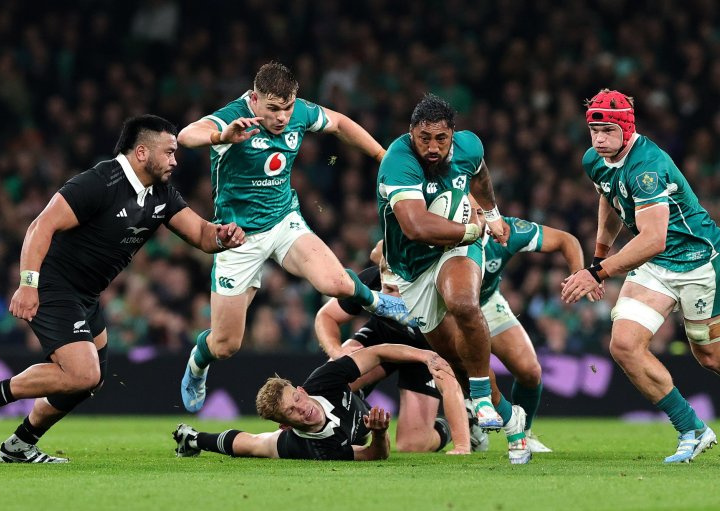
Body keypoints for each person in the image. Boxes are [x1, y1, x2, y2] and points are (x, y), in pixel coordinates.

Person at [0, 115, 246, 463]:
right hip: (53, 284)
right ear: (141, 152)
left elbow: (201, 234)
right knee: (82, 373)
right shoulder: (100, 181)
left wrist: (222, 236)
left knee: (90, 380)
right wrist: (28, 284)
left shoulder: (162, 194)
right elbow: (40, 226)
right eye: (168, 152)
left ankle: (19, 445)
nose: (174, 160)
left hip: (86, 296)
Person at [176, 61, 411, 414]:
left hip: (285, 221)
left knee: (334, 281)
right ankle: (198, 361)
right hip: (238, 237)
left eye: (287, 108)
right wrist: (220, 136)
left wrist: (382, 156)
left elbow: (340, 123)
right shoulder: (234, 117)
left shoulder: (299, 112)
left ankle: (380, 303)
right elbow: (186, 135)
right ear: (254, 99)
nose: (282, 117)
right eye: (272, 109)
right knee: (226, 344)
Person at [561, 89, 720, 463]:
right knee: (624, 345)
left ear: (626, 129)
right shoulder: (595, 159)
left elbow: (653, 239)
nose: (599, 138)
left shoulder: (647, 167)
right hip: (658, 267)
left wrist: (598, 270)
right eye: (594, 129)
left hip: (702, 262)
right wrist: (600, 254)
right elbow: (610, 198)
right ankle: (691, 428)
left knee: (711, 356)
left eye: (607, 130)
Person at [376, 94, 511, 434]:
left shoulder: (469, 147)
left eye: (441, 138)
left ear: (453, 133)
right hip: (412, 266)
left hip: (455, 249)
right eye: (424, 138)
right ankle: (511, 420)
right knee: (453, 355)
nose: (432, 147)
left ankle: (480, 397)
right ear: (411, 133)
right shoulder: (399, 160)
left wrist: (491, 215)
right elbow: (416, 227)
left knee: (463, 303)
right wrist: (470, 229)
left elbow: (480, 177)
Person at [172, 343, 469, 461]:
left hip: (353, 400)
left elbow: (377, 353)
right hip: (339, 432)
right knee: (256, 445)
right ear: (285, 424)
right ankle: (194, 439)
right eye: (292, 411)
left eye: (297, 397)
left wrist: (425, 356)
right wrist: (379, 434)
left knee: (351, 352)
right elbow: (373, 457)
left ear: (301, 388)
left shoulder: (320, 382)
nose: (303, 407)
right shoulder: (320, 447)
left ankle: (193, 439)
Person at [313, 242, 469, 455]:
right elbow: (326, 316)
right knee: (335, 371)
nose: (387, 298)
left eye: (396, 290)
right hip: (381, 338)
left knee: (412, 445)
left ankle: (465, 421)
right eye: (386, 289)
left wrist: (462, 445)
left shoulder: (436, 295)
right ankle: (335, 426)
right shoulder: (372, 281)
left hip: (427, 352)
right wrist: (336, 352)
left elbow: (450, 383)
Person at [476, 212, 586, 454]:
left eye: (480, 211)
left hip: (486, 302)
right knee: (469, 374)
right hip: (445, 311)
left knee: (530, 371)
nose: (474, 216)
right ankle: (469, 425)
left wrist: (579, 275)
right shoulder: (441, 232)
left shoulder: (507, 230)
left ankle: (523, 434)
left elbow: (566, 240)